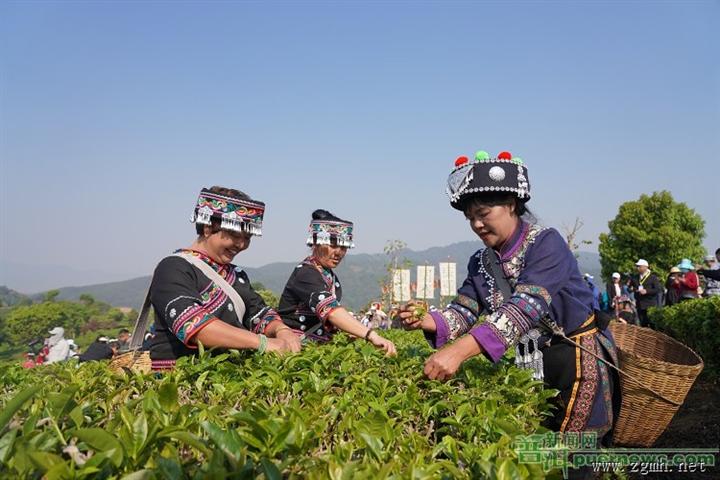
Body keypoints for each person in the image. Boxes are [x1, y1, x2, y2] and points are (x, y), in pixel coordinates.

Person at [398, 150, 619, 441]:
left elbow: (524, 308)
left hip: (576, 359)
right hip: (530, 363)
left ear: (511, 205)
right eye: (470, 218)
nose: (477, 224)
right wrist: (425, 320)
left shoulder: (546, 243)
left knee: (573, 455)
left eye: (483, 214)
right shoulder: (480, 261)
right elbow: (462, 311)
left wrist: (458, 351)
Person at [149, 186, 300, 371]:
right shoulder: (174, 268)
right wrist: (262, 343)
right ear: (208, 228)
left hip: (226, 377)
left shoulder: (235, 274)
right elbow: (194, 326)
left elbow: (259, 314)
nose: (241, 244)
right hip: (182, 380)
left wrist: (281, 330)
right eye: (235, 235)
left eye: (247, 237)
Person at [278, 210, 396, 355]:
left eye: (343, 247)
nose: (339, 252)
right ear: (316, 242)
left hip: (315, 351)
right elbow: (331, 312)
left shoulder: (327, 275)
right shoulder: (306, 273)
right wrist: (370, 335)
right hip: (294, 351)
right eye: (333, 245)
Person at [628, 259, 661, 328]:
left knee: (652, 324)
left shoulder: (653, 277)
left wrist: (647, 291)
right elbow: (629, 288)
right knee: (643, 324)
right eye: (637, 266)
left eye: (639, 266)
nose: (637, 268)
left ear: (645, 267)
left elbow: (658, 289)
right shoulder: (635, 277)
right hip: (639, 304)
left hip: (650, 304)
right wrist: (632, 289)